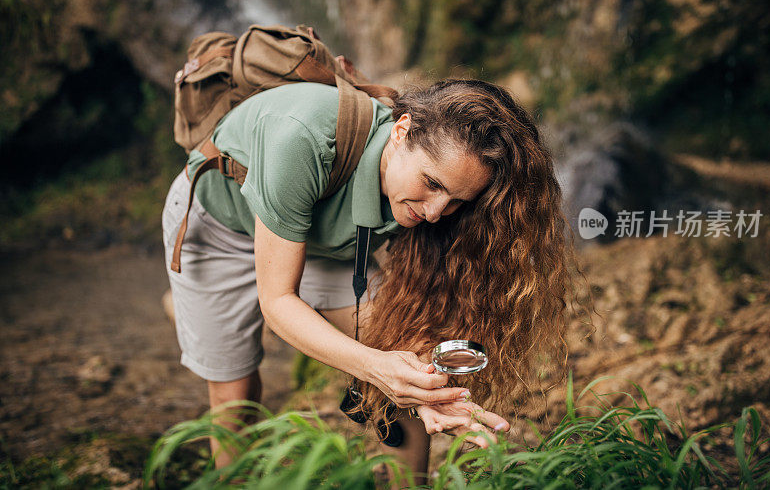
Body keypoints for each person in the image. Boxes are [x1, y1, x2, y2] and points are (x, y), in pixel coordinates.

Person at [162, 78, 574, 484]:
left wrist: (413, 386)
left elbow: (398, 360)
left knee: (406, 362)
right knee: (236, 393)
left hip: (321, 241)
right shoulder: (301, 141)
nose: (433, 212)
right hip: (219, 227)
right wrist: (376, 368)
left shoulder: (425, 196)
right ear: (401, 131)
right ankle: (191, 317)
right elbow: (278, 302)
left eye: (455, 202)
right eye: (432, 184)